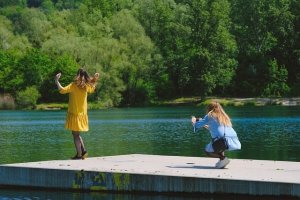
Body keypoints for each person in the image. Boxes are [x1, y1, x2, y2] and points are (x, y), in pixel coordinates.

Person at [55, 68, 99, 160]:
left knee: (75, 134)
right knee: (77, 134)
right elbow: (93, 88)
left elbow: (62, 90)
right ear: (86, 76)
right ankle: (83, 151)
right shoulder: (87, 86)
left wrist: (56, 80)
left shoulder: (73, 85)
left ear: (77, 75)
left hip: (74, 113)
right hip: (82, 114)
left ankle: (79, 154)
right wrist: (95, 79)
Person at [191, 101, 241, 169]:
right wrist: (204, 125)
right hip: (232, 139)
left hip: (222, 140)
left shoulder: (210, 115)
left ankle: (223, 158)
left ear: (209, 108)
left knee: (207, 151)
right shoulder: (224, 116)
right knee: (218, 141)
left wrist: (193, 120)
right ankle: (222, 161)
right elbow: (215, 129)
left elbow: (197, 125)